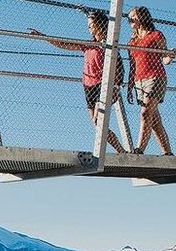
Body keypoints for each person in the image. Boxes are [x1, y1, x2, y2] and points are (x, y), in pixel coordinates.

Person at [28, 11, 126, 153]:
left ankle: (120, 150)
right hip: (88, 86)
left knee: (99, 120)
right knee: (97, 124)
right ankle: (121, 150)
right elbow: (64, 44)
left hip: (103, 85)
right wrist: (44, 37)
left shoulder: (107, 44)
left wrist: (116, 86)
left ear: (100, 25)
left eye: (91, 25)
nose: (89, 29)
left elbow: (119, 66)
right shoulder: (88, 44)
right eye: (88, 26)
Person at [126, 5, 176, 155]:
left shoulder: (156, 35)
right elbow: (132, 65)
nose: (129, 20)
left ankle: (139, 149)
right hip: (139, 81)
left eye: (132, 17)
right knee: (154, 121)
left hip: (155, 77)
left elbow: (165, 58)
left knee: (145, 113)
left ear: (141, 17)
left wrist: (171, 56)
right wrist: (130, 87)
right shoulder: (132, 42)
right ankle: (168, 153)